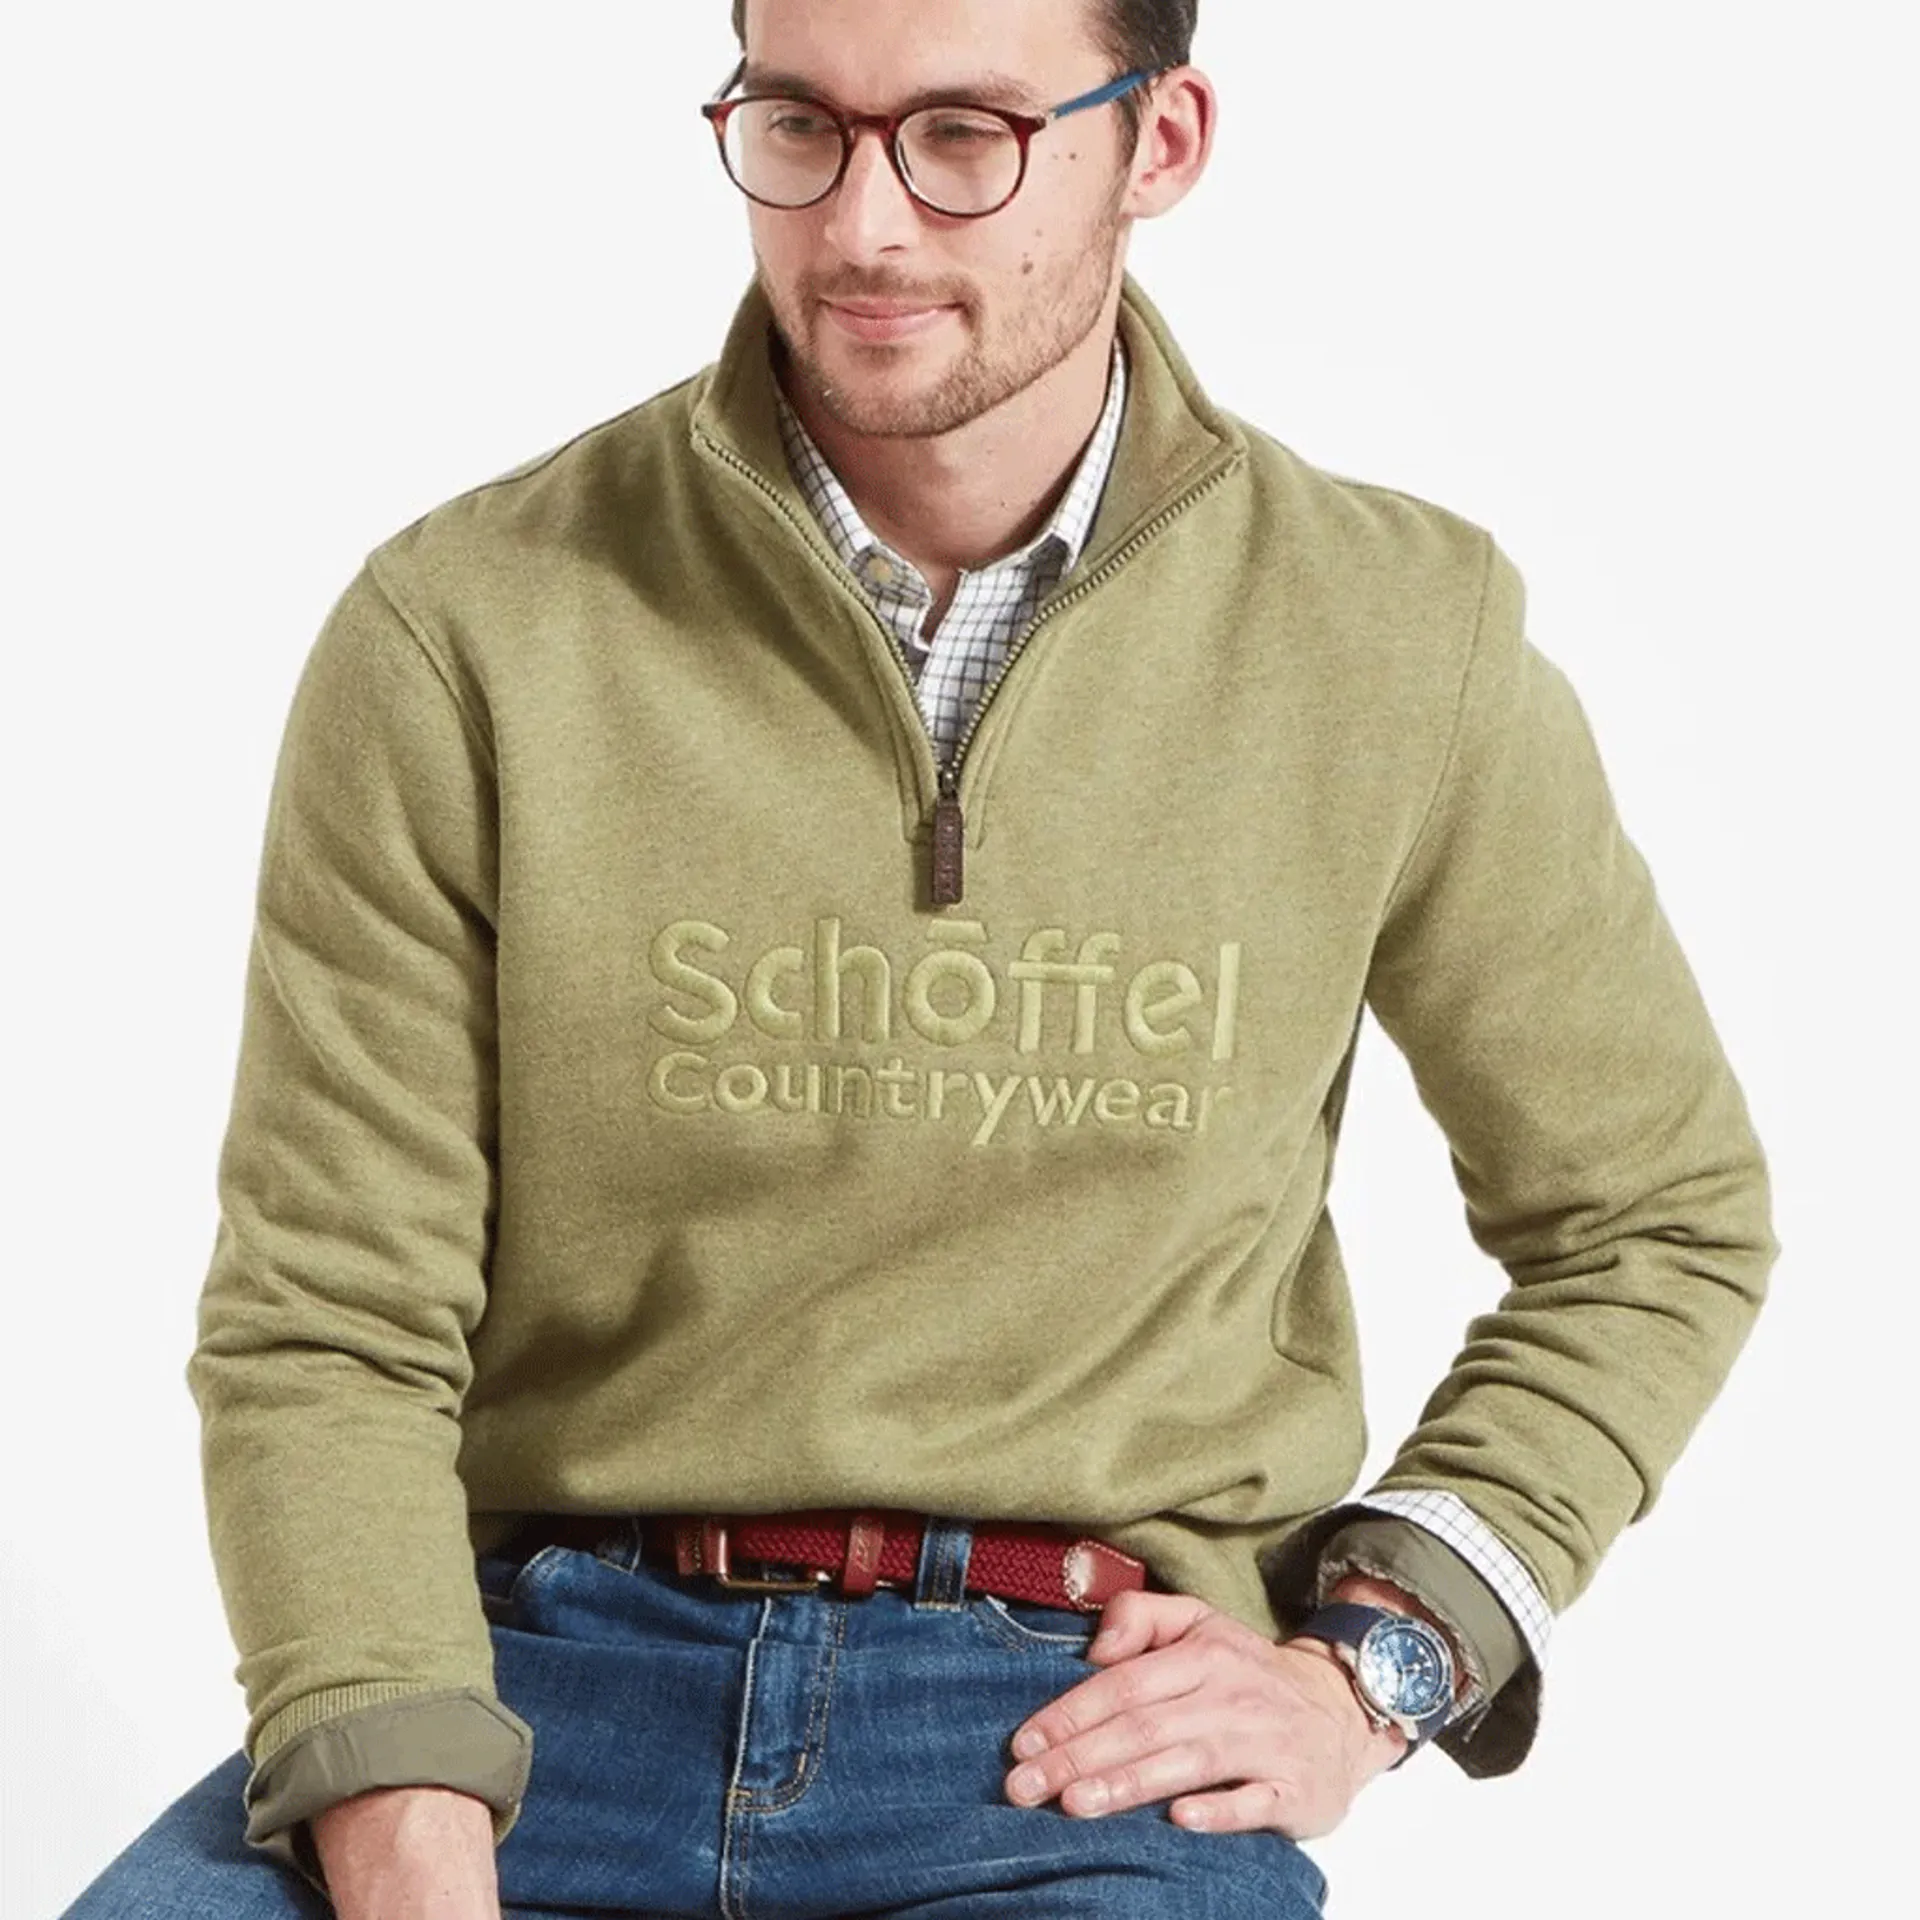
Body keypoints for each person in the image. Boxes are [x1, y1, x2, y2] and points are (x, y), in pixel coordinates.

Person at [59, 1, 1779, 1915]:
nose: (864, 224)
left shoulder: (1395, 637)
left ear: (1161, 140)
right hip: (520, 1688)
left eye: (966, 135)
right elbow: (329, 1313)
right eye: (802, 123)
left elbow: (1654, 1220)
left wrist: (1370, 1670)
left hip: (1069, 1739)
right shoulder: (465, 628)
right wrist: (405, 1816)